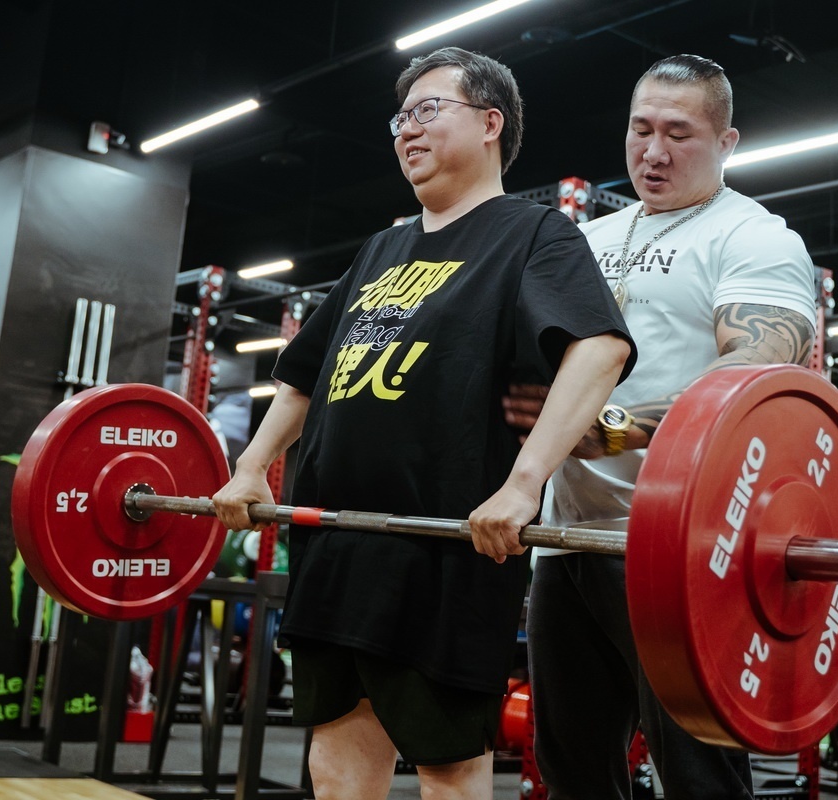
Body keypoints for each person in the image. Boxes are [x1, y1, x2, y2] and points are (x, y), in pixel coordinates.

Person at [213, 47, 634, 800]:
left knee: (446, 760)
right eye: (399, 117)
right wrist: (251, 468)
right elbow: (305, 377)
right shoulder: (382, 247)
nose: (406, 129)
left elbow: (599, 349)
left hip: (443, 544)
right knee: (337, 752)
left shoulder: (532, 235)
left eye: (428, 110)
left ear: (490, 123)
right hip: (337, 540)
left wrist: (524, 484)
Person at [506, 54, 817, 799]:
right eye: (641, 129)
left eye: (679, 132)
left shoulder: (755, 237)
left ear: (728, 141)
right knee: (571, 765)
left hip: (680, 545)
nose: (653, 150)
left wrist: (611, 428)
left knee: (696, 775)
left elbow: (757, 372)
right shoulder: (587, 239)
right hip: (568, 539)